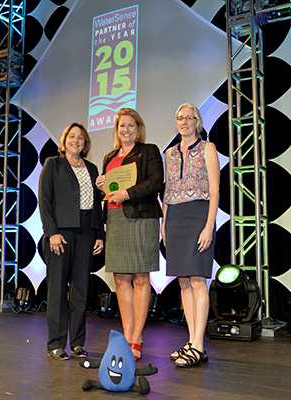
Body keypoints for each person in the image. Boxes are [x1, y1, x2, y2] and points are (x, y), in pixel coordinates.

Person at [95, 108, 164, 361]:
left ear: (139, 128)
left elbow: (156, 182)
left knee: (141, 277)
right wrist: (101, 185)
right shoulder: (109, 156)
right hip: (114, 218)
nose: (126, 130)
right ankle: (126, 335)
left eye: (131, 125)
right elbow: (108, 190)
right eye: (121, 126)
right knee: (121, 279)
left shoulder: (149, 151)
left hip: (141, 218)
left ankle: (137, 336)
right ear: (117, 130)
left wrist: (128, 193)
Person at [39, 122, 105, 361]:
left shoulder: (93, 168)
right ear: (64, 140)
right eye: (71, 136)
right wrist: (52, 232)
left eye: (81, 137)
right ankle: (55, 344)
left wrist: (100, 233)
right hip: (61, 233)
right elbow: (45, 200)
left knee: (80, 290)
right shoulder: (53, 164)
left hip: (87, 231)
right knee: (57, 289)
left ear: (86, 143)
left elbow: (99, 203)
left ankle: (77, 343)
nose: (76, 140)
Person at [161, 103, 220, 368]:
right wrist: (164, 222)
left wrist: (209, 225)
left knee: (197, 280)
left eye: (188, 117)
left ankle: (199, 344)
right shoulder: (170, 153)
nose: (184, 122)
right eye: (180, 118)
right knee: (183, 282)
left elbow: (215, 191)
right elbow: (168, 189)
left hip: (198, 216)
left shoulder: (208, 148)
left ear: (197, 121)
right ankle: (190, 340)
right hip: (174, 217)